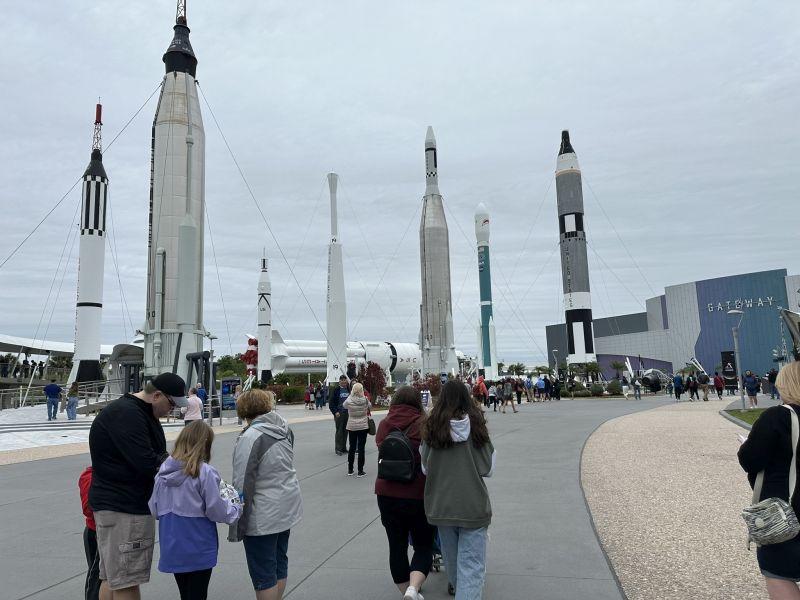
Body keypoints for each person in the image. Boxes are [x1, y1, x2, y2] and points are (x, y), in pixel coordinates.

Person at [89, 372, 188, 600]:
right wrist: (184, 466)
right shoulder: (129, 415)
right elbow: (147, 463)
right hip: (126, 508)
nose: (172, 410)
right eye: (171, 404)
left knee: (111, 578)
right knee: (127, 581)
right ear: (157, 395)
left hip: (114, 505)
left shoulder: (133, 412)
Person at [149, 421, 242, 600]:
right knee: (198, 593)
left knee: (186, 593)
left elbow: (154, 509)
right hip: (199, 544)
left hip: (172, 544)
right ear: (205, 444)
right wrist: (235, 509)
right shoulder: (205, 472)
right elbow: (216, 510)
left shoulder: (162, 474)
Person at [421, 381, 495, 600]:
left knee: (452, 564)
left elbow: (425, 467)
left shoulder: (431, 428)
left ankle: (459, 590)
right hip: (472, 504)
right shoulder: (477, 427)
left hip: (440, 505)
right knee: (471, 567)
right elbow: (488, 468)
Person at [230, 389, 303, 600]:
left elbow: (243, 481)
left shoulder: (251, 436)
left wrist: (238, 520)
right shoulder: (284, 429)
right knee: (279, 562)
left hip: (263, 513)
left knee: (263, 573)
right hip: (286, 505)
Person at [738, 362, 800, 598]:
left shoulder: (777, 416)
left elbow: (751, 460)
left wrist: (745, 445)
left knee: (778, 572)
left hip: (787, 511)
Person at [374, 386, 435, 600]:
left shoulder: (385, 424)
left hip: (386, 493)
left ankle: (405, 590)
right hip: (417, 493)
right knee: (423, 544)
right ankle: (413, 589)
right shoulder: (425, 424)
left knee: (396, 545)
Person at [79, 466, 101, 600]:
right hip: (95, 531)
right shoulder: (90, 475)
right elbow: (88, 509)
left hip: (101, 529)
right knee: (96, 575)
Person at [344, 382, 370, 477]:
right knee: (361, 448)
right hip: (363, 426)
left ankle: (350, 470)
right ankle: (360, 470)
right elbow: (370, 406)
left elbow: (344, 406)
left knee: (352, 447)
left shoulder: (349, 400)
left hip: (352, 426)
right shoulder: (365, 400)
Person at [330, 375, 350, 455]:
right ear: (339, 382)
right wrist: (335, 412)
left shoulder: (349, 390)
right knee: (339, 431)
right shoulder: (336, 390)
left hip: (348, 413)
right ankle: (338, 448)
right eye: (342, 380)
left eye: (345, 380)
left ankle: (343, 448)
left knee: (346, 431)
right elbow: (331, 403)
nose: (344, 382)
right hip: (339, 413)